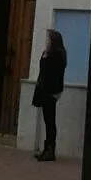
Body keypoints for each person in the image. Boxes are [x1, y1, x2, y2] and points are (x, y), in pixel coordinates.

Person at [32, 29, 67, 162]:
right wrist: (44, 56)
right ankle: (47, 149)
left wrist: (46, 57)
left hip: (51, 91)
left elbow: (53, 71)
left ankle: (50, 149)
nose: (46, 42)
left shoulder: (58, 55)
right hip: (45, 90)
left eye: (48, 39)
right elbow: (43, 69)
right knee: (47, 120)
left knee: (50, 121)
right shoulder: (48, 54)